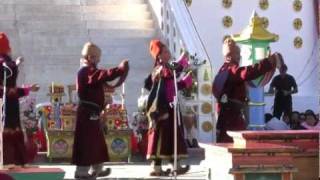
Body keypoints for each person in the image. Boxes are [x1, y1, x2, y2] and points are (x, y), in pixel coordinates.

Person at [72, 42, 129, 179]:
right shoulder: (86, 71)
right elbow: (103, 75)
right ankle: (82, 172)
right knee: (86, 143)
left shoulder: (88, 71)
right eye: (97, 58)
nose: (99, 60)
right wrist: (119, 70)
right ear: (91, 57)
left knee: (96, 141)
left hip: (92, 113)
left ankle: (97, 168)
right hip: (87, 113)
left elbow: (100, 79)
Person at [212, 38, 283, 143]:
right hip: (231, 116)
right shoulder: (231, 70)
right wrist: (270, 62)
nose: (240, 56)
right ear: (230, 56)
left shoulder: (223, 70)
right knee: (234, 143)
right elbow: (248, 73)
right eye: (237, 54)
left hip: (227, 114)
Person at [144, 39, 192, 176]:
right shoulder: (159, 69)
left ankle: (176, 165)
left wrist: (185, 81)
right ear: (158, 55)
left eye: (167, 51)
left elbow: (173, 86)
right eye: (165, 52)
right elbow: (171, 72)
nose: (168, 53)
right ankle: (156, 167)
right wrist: (183, 58)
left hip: (172, 108)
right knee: (159, 137)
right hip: (161, 110)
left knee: (173, 137)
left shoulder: (167, 68)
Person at [0, 32, 39, 168]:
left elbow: (10, 86)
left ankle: (12, 161)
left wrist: (27, 89)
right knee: (9, 130)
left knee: (11, 130)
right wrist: (27, 89)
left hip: (8, 101)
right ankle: (10, 161)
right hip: (6, 103)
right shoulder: (4, 63)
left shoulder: (6, 63)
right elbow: (9, 84)